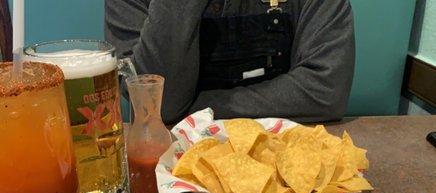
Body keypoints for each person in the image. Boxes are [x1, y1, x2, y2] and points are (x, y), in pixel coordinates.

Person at [105, 0, 355, 124]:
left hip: (289, 164)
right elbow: (157, 103)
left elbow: (325, 91)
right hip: (171, 169)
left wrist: (198, 109)